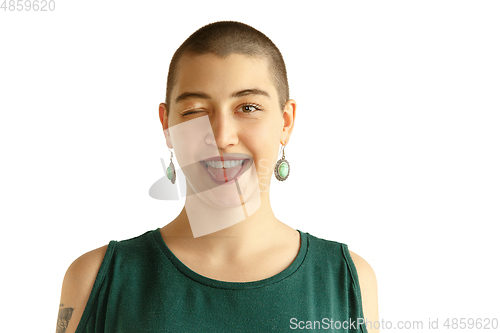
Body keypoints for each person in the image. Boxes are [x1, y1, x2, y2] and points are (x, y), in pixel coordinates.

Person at [56, 21, 379, 333]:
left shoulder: (348, 280)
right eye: (195, 111)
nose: (221, 136)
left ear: (285, 122)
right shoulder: (96, 277)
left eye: (248, 108)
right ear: (167, 125)